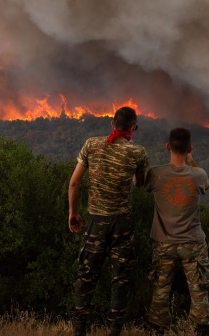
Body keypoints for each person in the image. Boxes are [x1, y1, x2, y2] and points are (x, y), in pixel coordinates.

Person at [68, 106, 149, 336]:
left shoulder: (91, 145)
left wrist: (73, 212)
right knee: (120, 279)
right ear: (132, 128)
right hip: (122, 224)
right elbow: (139, 184)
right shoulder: (138, 152)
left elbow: (74, 183)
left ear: (112, 124)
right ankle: (115, 331)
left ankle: (80, 330)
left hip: (95, 222)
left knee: (86, 276)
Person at [144, 127, 209, 336]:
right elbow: (206, 185)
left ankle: (158, 330)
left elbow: (142, 185)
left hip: (163, 242)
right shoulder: (198, 174)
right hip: (192, 243)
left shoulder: (155, 174)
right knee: (199, 290)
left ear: (167, 147)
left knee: (160, 290)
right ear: (190, 148)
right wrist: (191, 161)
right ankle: (201, 330)